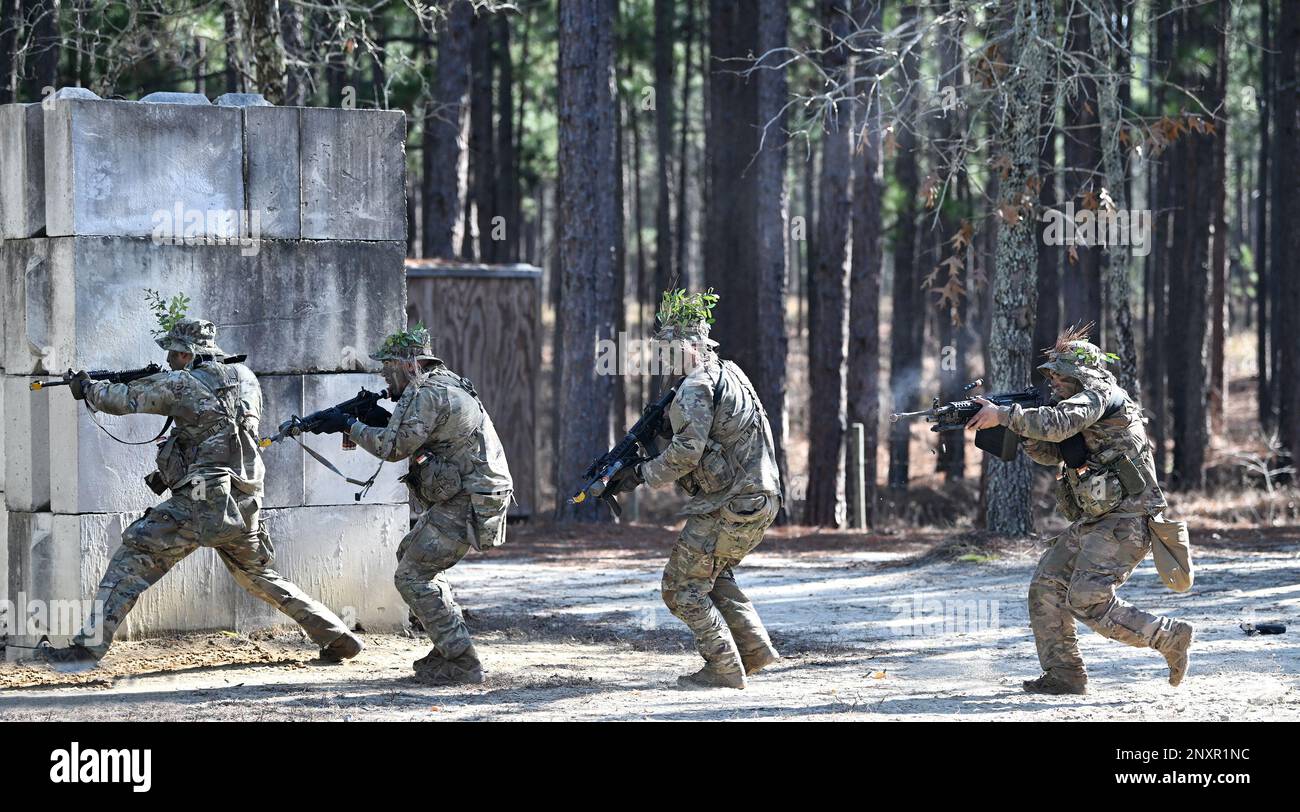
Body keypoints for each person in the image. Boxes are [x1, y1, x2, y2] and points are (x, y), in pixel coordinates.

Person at [43, 318, 363, 667]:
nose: (168, 361)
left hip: (201, 498)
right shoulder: (246, 378)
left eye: (172, 354)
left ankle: (86, 649)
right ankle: (336, 636)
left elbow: (123, 399)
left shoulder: (183, 383)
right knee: (259, 575)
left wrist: (88, 388)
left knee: (134, 556)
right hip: (245, 496)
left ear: (185, 353)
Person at [965, 324, 1193, 695]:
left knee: (1088, 598)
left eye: (1060, 376)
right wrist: (1018, 431)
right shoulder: (1079, 407)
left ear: (1079, 373)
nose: (1053, 383)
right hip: (1097, 518)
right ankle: (1065, 674)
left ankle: (1168, 636)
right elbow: (1051, 450)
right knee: (1046, 587)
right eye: (1051, 377)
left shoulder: (1099, 394)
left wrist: (1006, 417)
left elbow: (1058, 425)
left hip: (1127, 520)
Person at [311, 325, 512, 684]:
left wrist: (349, 424)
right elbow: (414, 437)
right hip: (470, 491)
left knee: (412, 575)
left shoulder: (425, 393)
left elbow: (393, 449)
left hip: (470, 496)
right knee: (412, 557)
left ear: (408, 365)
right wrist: (376, 422)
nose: (384, 376)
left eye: (387, 367)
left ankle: (462, 661)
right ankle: (448, 645)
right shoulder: (443, 383)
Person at [622, 290, 783, 690]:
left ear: (691, 348)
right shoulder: (730, 372)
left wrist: (641, 474)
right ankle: (753, 651)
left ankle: (724, 668)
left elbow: (685, 455)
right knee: (715, 573)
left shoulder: (696, 386)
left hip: (731, 502)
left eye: (670, 350)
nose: (665, 358)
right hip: (758, 498)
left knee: (680, 588)